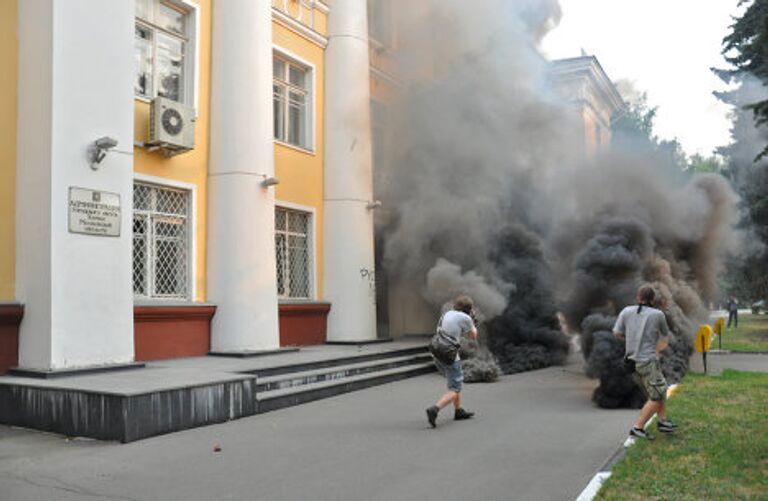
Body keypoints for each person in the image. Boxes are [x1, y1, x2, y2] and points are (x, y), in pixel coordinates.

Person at [613, 284, 678, 440]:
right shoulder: (658, 315)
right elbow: (665, 335)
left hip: (632, 360)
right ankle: (638, 427)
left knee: (659, 388)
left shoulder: (626, 311)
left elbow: (616, 333)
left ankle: (662, 421)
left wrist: (632, 340)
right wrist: (658, 349)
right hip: (648, 360)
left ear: (638, 297)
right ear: (653, 300)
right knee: (657, 394)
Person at [426, 295, 478, 428]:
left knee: (455, 383)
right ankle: (435, 409)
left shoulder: (447, 313)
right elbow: (473, 336)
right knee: (455, 388)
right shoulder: (466, 317)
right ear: (468, 309)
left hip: (436, 351)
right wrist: (472, 321)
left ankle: (458, 411)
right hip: (449, 354)